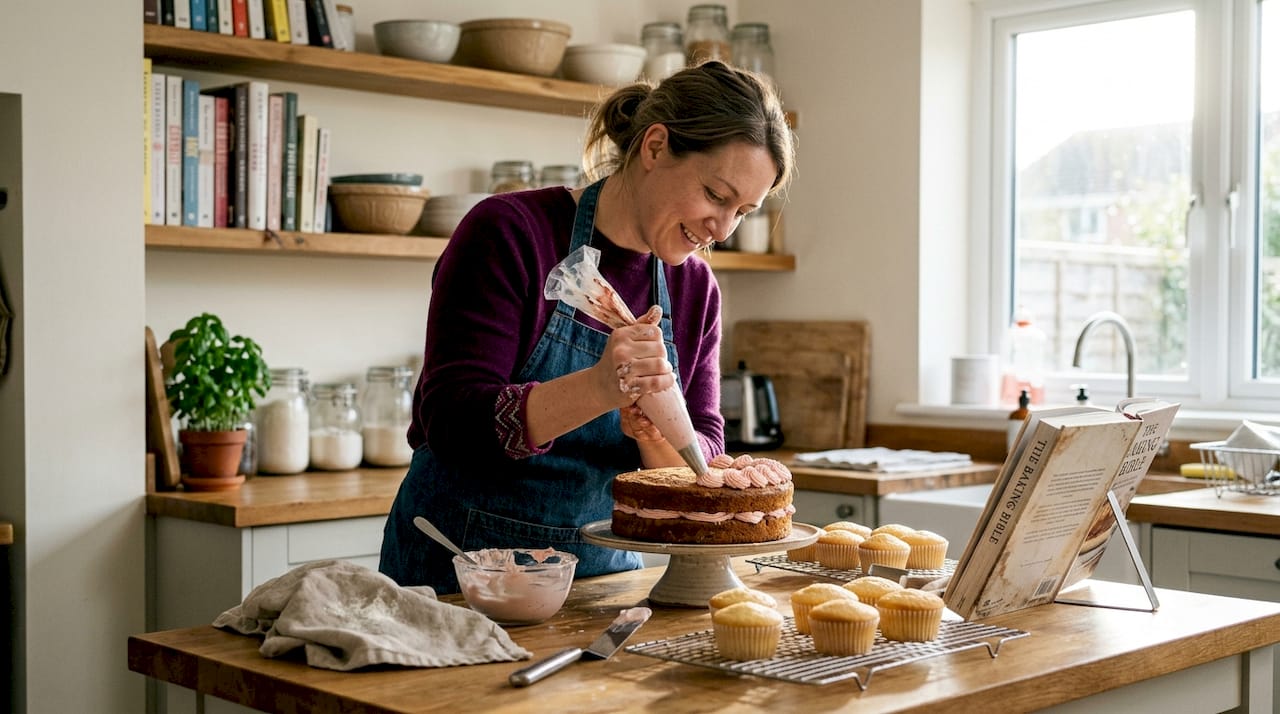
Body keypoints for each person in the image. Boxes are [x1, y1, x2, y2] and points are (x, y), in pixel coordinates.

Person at [379, 61, 797, 594]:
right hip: (462, 575)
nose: (723, 229)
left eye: (743, 210)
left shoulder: (695, 290)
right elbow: (452, 421)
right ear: (654, 147)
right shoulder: (509, 234)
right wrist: (601, 386)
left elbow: (703, 452)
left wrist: (655, 437)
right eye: (716, 195)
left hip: (608, 584)